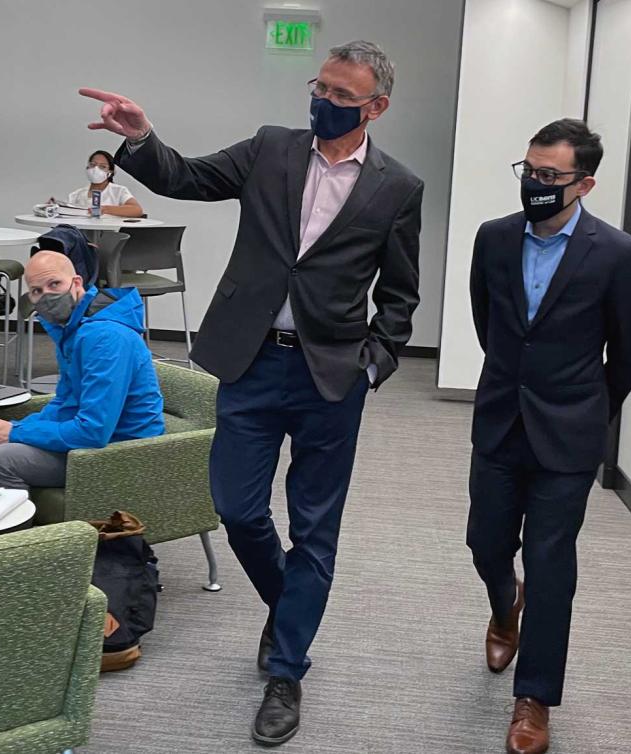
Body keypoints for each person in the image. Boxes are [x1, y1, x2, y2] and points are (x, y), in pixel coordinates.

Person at [81, 38, 423, 746]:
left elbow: (400, 294)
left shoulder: (398, 187)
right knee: (238, 509)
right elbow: (187, 176)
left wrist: (376, 362)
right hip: (251, 361)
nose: (322, 101)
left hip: (332, 374)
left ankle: (286, 669)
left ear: (376, 107)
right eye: (318, 87)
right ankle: (289, 602)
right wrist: (141, 138)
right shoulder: (271, 148)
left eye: (340, 96)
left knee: (315, 527)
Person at [467, 119, 631, 754]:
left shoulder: (616, 253)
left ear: (585, 183)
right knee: (486, 542)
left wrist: (590, 409)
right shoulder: (493, 239)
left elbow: (630, 349)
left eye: (551, 176)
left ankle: (534, 698)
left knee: (551, 564)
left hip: (568, 434)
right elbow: (490, 323)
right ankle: (502, 604)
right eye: (529, 172)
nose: (536, 185)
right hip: (499, 419)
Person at [0, 250, 164, 490]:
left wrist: (16, 432)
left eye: (54, 284)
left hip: (121, 453)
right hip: (90, 440)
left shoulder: (105, 338)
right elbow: (65, 403)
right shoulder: (74, 328)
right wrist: (17, 428)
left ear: (77, 283)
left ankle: (17, 528)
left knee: (3, 460)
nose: (46, 296)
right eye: (37, 291)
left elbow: (94, 432)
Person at [65, 149, 144, 217]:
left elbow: (137, 210)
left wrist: (105, 209)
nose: (96, 169)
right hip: (79, 232)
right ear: (87, 168)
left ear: (110, 172)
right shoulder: (76, 194)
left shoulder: (118, 191)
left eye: (102, 166)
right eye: (92, 165)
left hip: (109, 233)